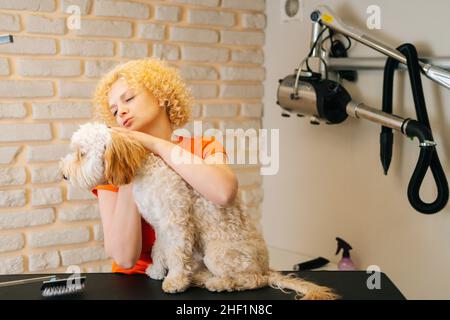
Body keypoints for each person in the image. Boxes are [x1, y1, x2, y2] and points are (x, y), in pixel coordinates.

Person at [91, 58, 238, 274]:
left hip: (195, 277)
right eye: (114, 111)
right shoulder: (113, 166)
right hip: (136, 283)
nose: (120, 112)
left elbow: (224, 193)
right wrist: (131, 162)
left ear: (161, 96)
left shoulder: (204, 147)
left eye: (129, 98)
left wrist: (154, 145)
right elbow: (124, 258)